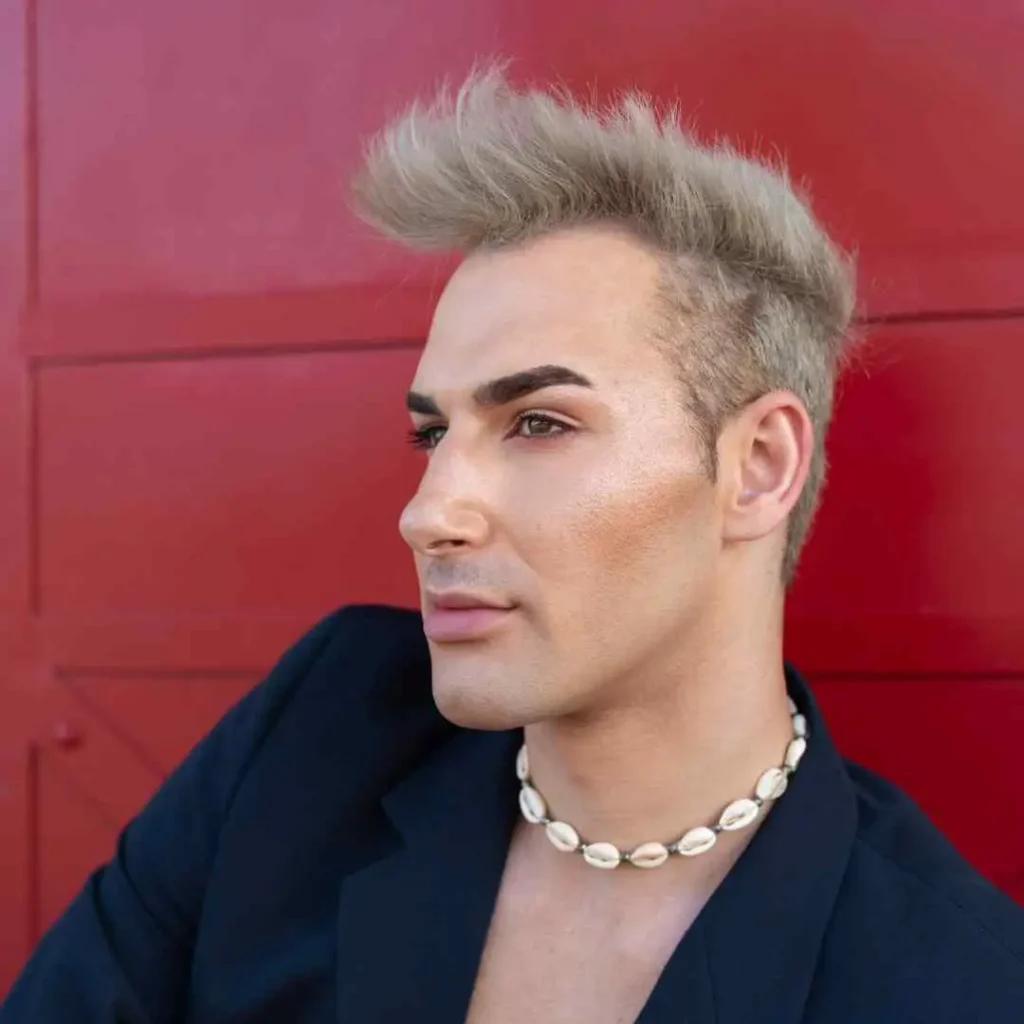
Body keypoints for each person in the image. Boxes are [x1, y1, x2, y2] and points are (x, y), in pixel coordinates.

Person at [3, 65, 1023, 1024]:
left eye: (538, 422)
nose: (427, 511)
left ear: (757, 464)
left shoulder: (951, 980)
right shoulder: (320, 736)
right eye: (431, 432)